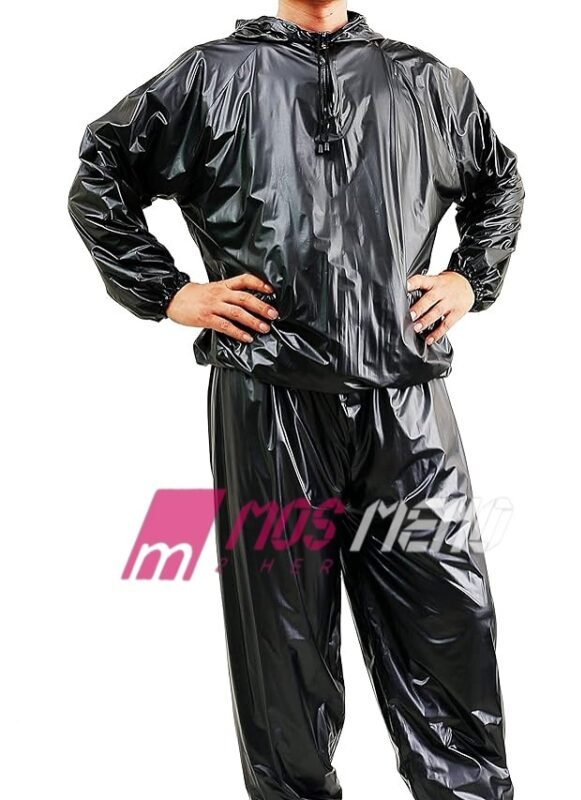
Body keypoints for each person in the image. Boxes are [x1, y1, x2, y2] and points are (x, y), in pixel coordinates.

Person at [67, 2, 525, 798]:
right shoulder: (213, 78)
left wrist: (469, 277)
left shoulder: (424, 82)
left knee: (450, 630)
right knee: (285, 660)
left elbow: (499, 181)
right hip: (269, 402)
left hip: (406, 407)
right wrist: (171, 292)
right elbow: (101, 172)